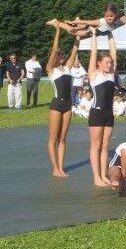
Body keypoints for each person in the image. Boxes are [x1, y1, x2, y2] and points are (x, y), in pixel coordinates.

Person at [45, 22, 80, 177]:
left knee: (63, 138)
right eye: (59, 54)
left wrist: (78, 35)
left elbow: (75, 49)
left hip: (67, 105)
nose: (61, 55)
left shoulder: (67, 68)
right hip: (56, 105)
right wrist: (58, 30)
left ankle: (61, 167)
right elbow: (53, 49)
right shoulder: (50, 70)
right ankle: (55, 168)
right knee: (53, 138)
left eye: (61, 54)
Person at [87, 27, 118, 187]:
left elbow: (114, 53)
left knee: (105, 145)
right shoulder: (94, 74)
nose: (109, 63)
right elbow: (93, 53)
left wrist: (110, 33)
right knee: (96, 145)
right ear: (99, 64)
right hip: (97, 113)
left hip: (109, 114)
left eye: (110, 62)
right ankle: (96, 177)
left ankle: (104, 175)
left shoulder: (111, 75)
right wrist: (94, 35)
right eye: (106, 62)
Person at [52, 3, 126, 37]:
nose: (109, 18)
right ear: (104, 15)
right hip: (90, 30)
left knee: (77, 28)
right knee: (73, 31)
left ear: (115, 15)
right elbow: (89, 22)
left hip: (94, 31)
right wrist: (75, 21)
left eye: (111, 16)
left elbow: (124, 19)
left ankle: (78, 25)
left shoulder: (117, 22)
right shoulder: (102, 21)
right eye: (107, 16)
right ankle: (57, 22)